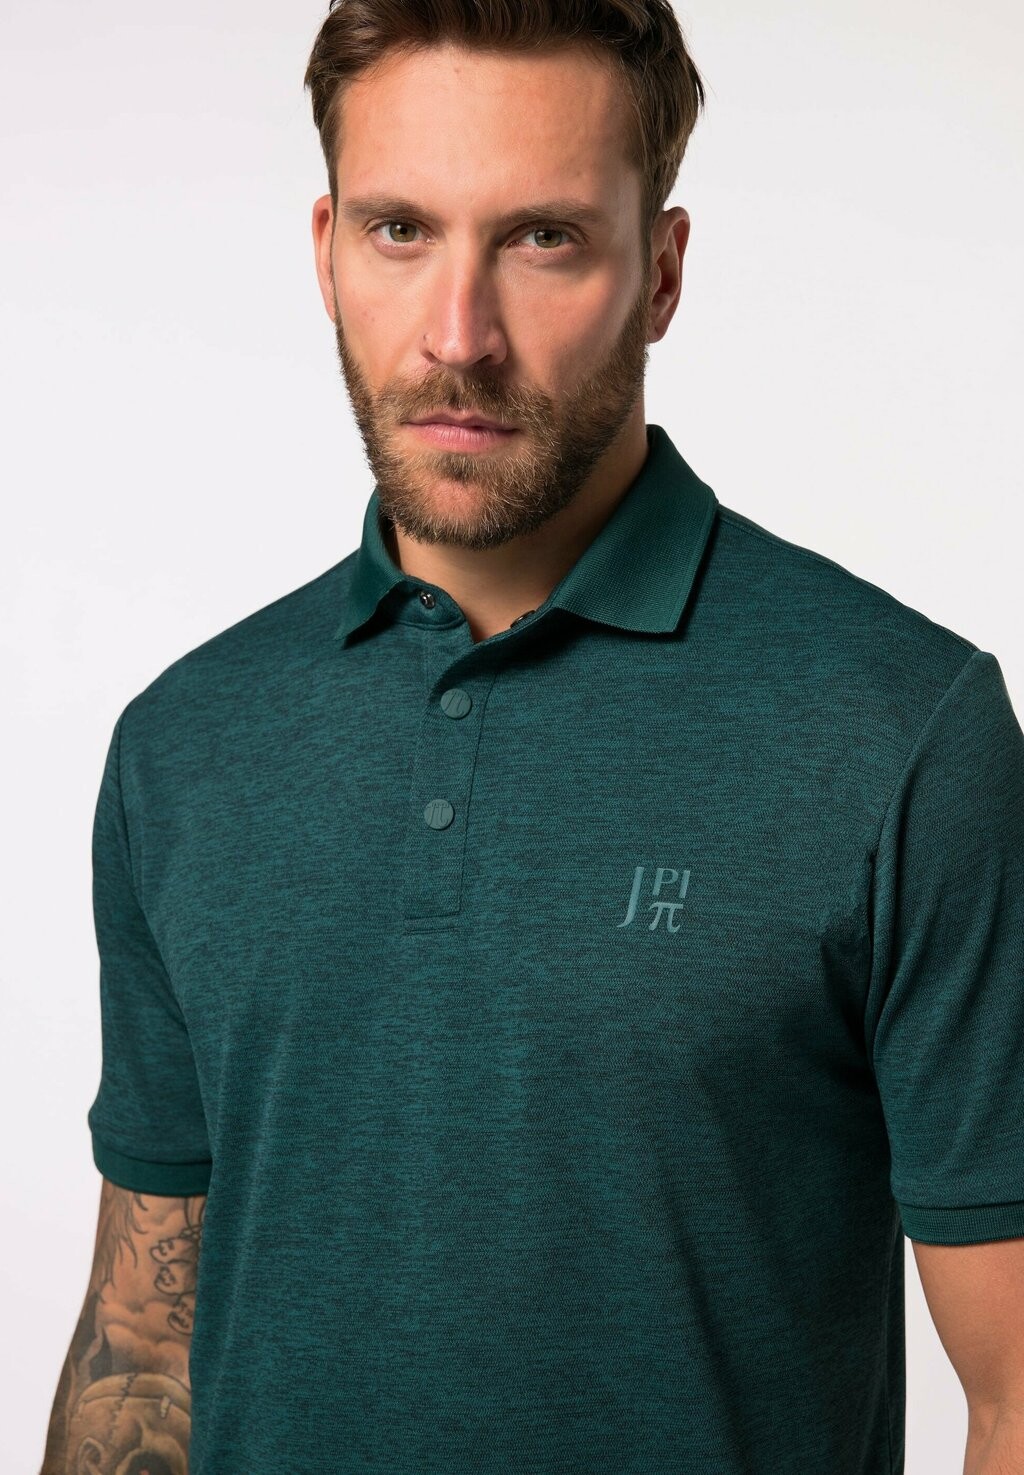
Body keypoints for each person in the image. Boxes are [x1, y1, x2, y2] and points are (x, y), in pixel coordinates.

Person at [40, 2, 1024, 1472]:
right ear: (325, 248)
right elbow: (145, 1347)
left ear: (662, 273)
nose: (459, 337)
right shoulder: (185, 747)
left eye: (543, 239)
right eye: (400, 231)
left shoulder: (902, 733)